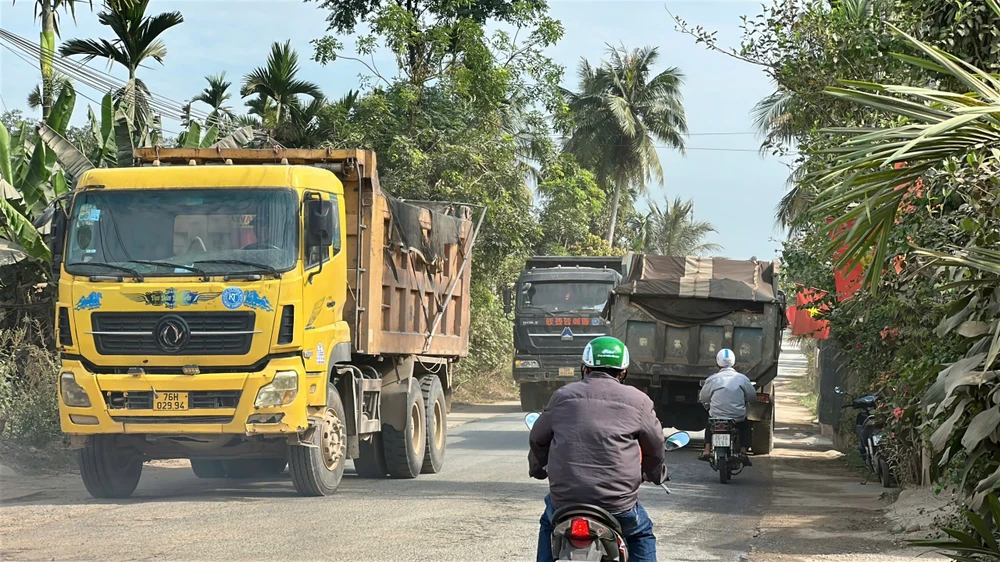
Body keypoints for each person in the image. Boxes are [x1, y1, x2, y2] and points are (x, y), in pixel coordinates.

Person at [528, 336, 667, 562]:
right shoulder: (639, 401)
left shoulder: (562, 396)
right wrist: (655, 474)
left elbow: (537, 438)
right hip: (618, 505)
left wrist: (537, 469)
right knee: (642, 533)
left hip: (565, 502)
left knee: (548, 524)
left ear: (586, 368)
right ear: (623, 372)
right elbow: (655, 446)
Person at [698, 348, 756, 465]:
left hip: (717, 417)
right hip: (737, 418)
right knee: (745, 426)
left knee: (710, 424)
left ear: (717, 363)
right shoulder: (742, 379)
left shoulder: (712, 379)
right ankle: (744, 453)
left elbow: (703, 398)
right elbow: (752, 397)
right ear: (734, 362)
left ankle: (707, 450)